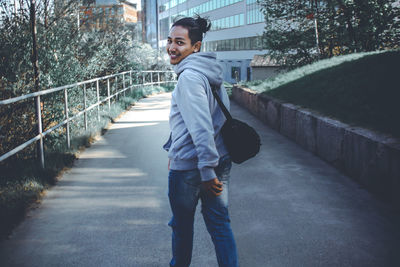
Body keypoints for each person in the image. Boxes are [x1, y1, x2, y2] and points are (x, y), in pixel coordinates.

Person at [163, 15, 238, 267]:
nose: (172, 47)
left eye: (180, 43)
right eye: (170, 40)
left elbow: (201, 126)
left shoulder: (189, 77)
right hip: (220, 160)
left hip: (191, 169)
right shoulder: (211, 73)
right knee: (220, 225)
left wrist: (206, 170)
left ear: (196, 47)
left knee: (182, 228)